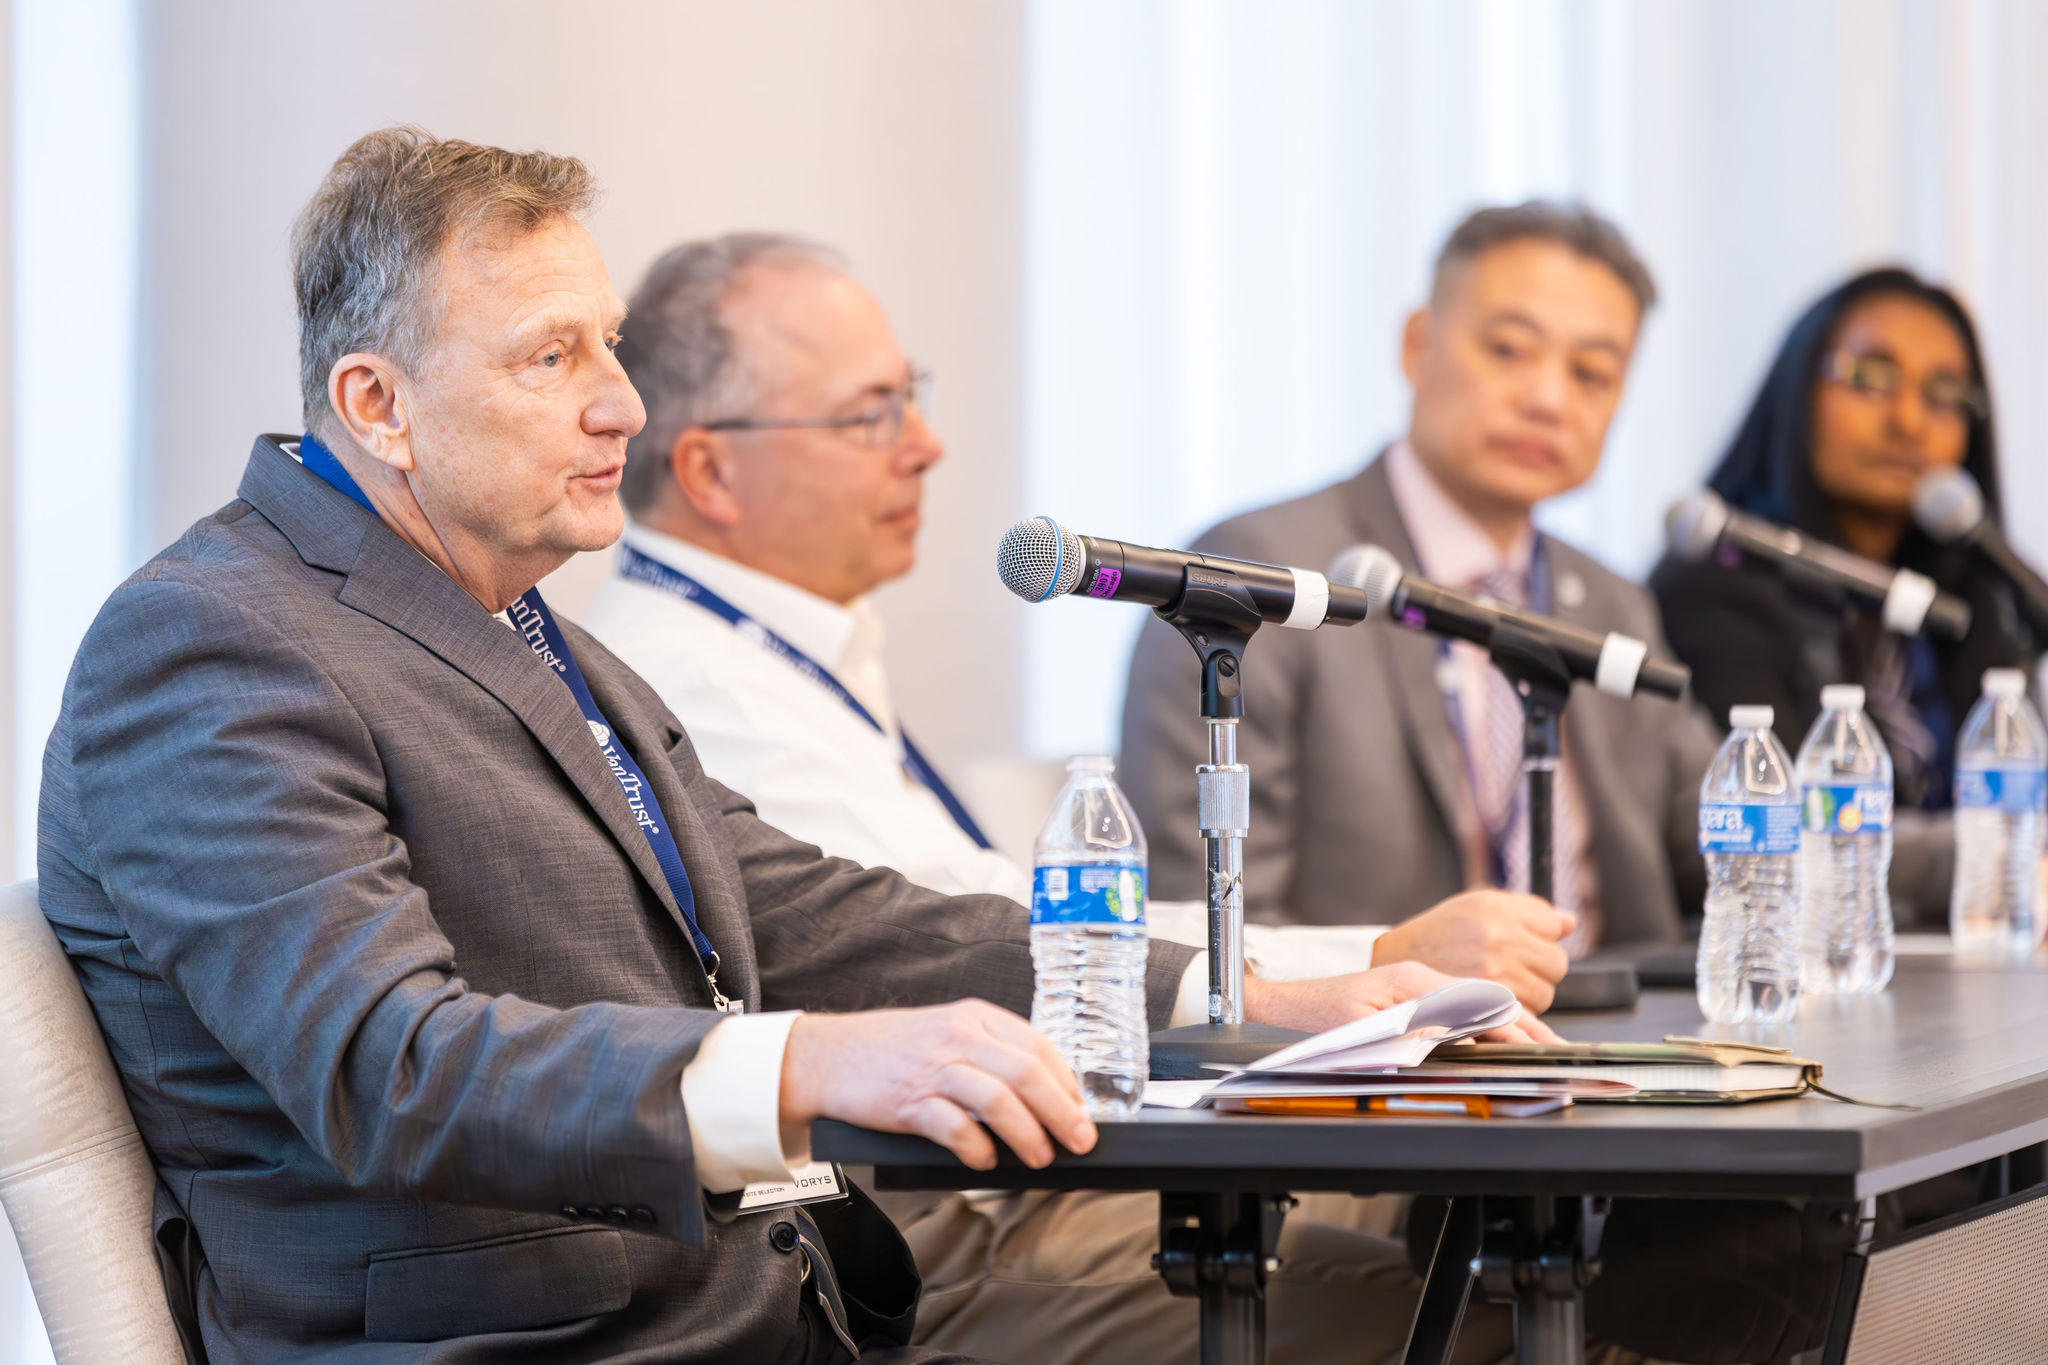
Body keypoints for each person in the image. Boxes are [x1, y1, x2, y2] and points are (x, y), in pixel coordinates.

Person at [36, 129, 1501, 1364]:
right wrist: (806, 1063)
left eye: (608, 344)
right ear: (376, 404)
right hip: (521, 1336)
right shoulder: (212, 641)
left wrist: (1250, 996)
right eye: (554, 355)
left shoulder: (518, 624)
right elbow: (387, 1059)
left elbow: (806, 909)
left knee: (1469, 1287)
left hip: (752, 1305)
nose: (622, 402)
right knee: (1447, 1306)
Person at [580, 232, 1575, 1364]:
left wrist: (1363, 965)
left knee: (1499, 1240)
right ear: (708, 472)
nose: (927, 445)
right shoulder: (694, 680)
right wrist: (1373, 955)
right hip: (914, 1226)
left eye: (914, 399)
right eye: (870, 416)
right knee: (1494, 1310)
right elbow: (972, 946)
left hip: (1001, 1175)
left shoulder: (779, 647)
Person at [1120, 201, 1719, 959]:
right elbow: (1203, 923)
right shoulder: (1259, 576)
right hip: (1375, 1054)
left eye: (1593, 373)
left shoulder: (1609, 602)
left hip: (1622, 1037)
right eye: (1508, 348)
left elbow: (1733, 835)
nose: (1548, 398)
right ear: (1416, 344)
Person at [1651, 266, 2039, 923]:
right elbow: (1770, 831)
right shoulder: (1713, 588)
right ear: (1798, 388)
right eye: (1870, 377)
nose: (1910, 419)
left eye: (1945, 392)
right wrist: (1994, 863)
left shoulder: (1977, 602)